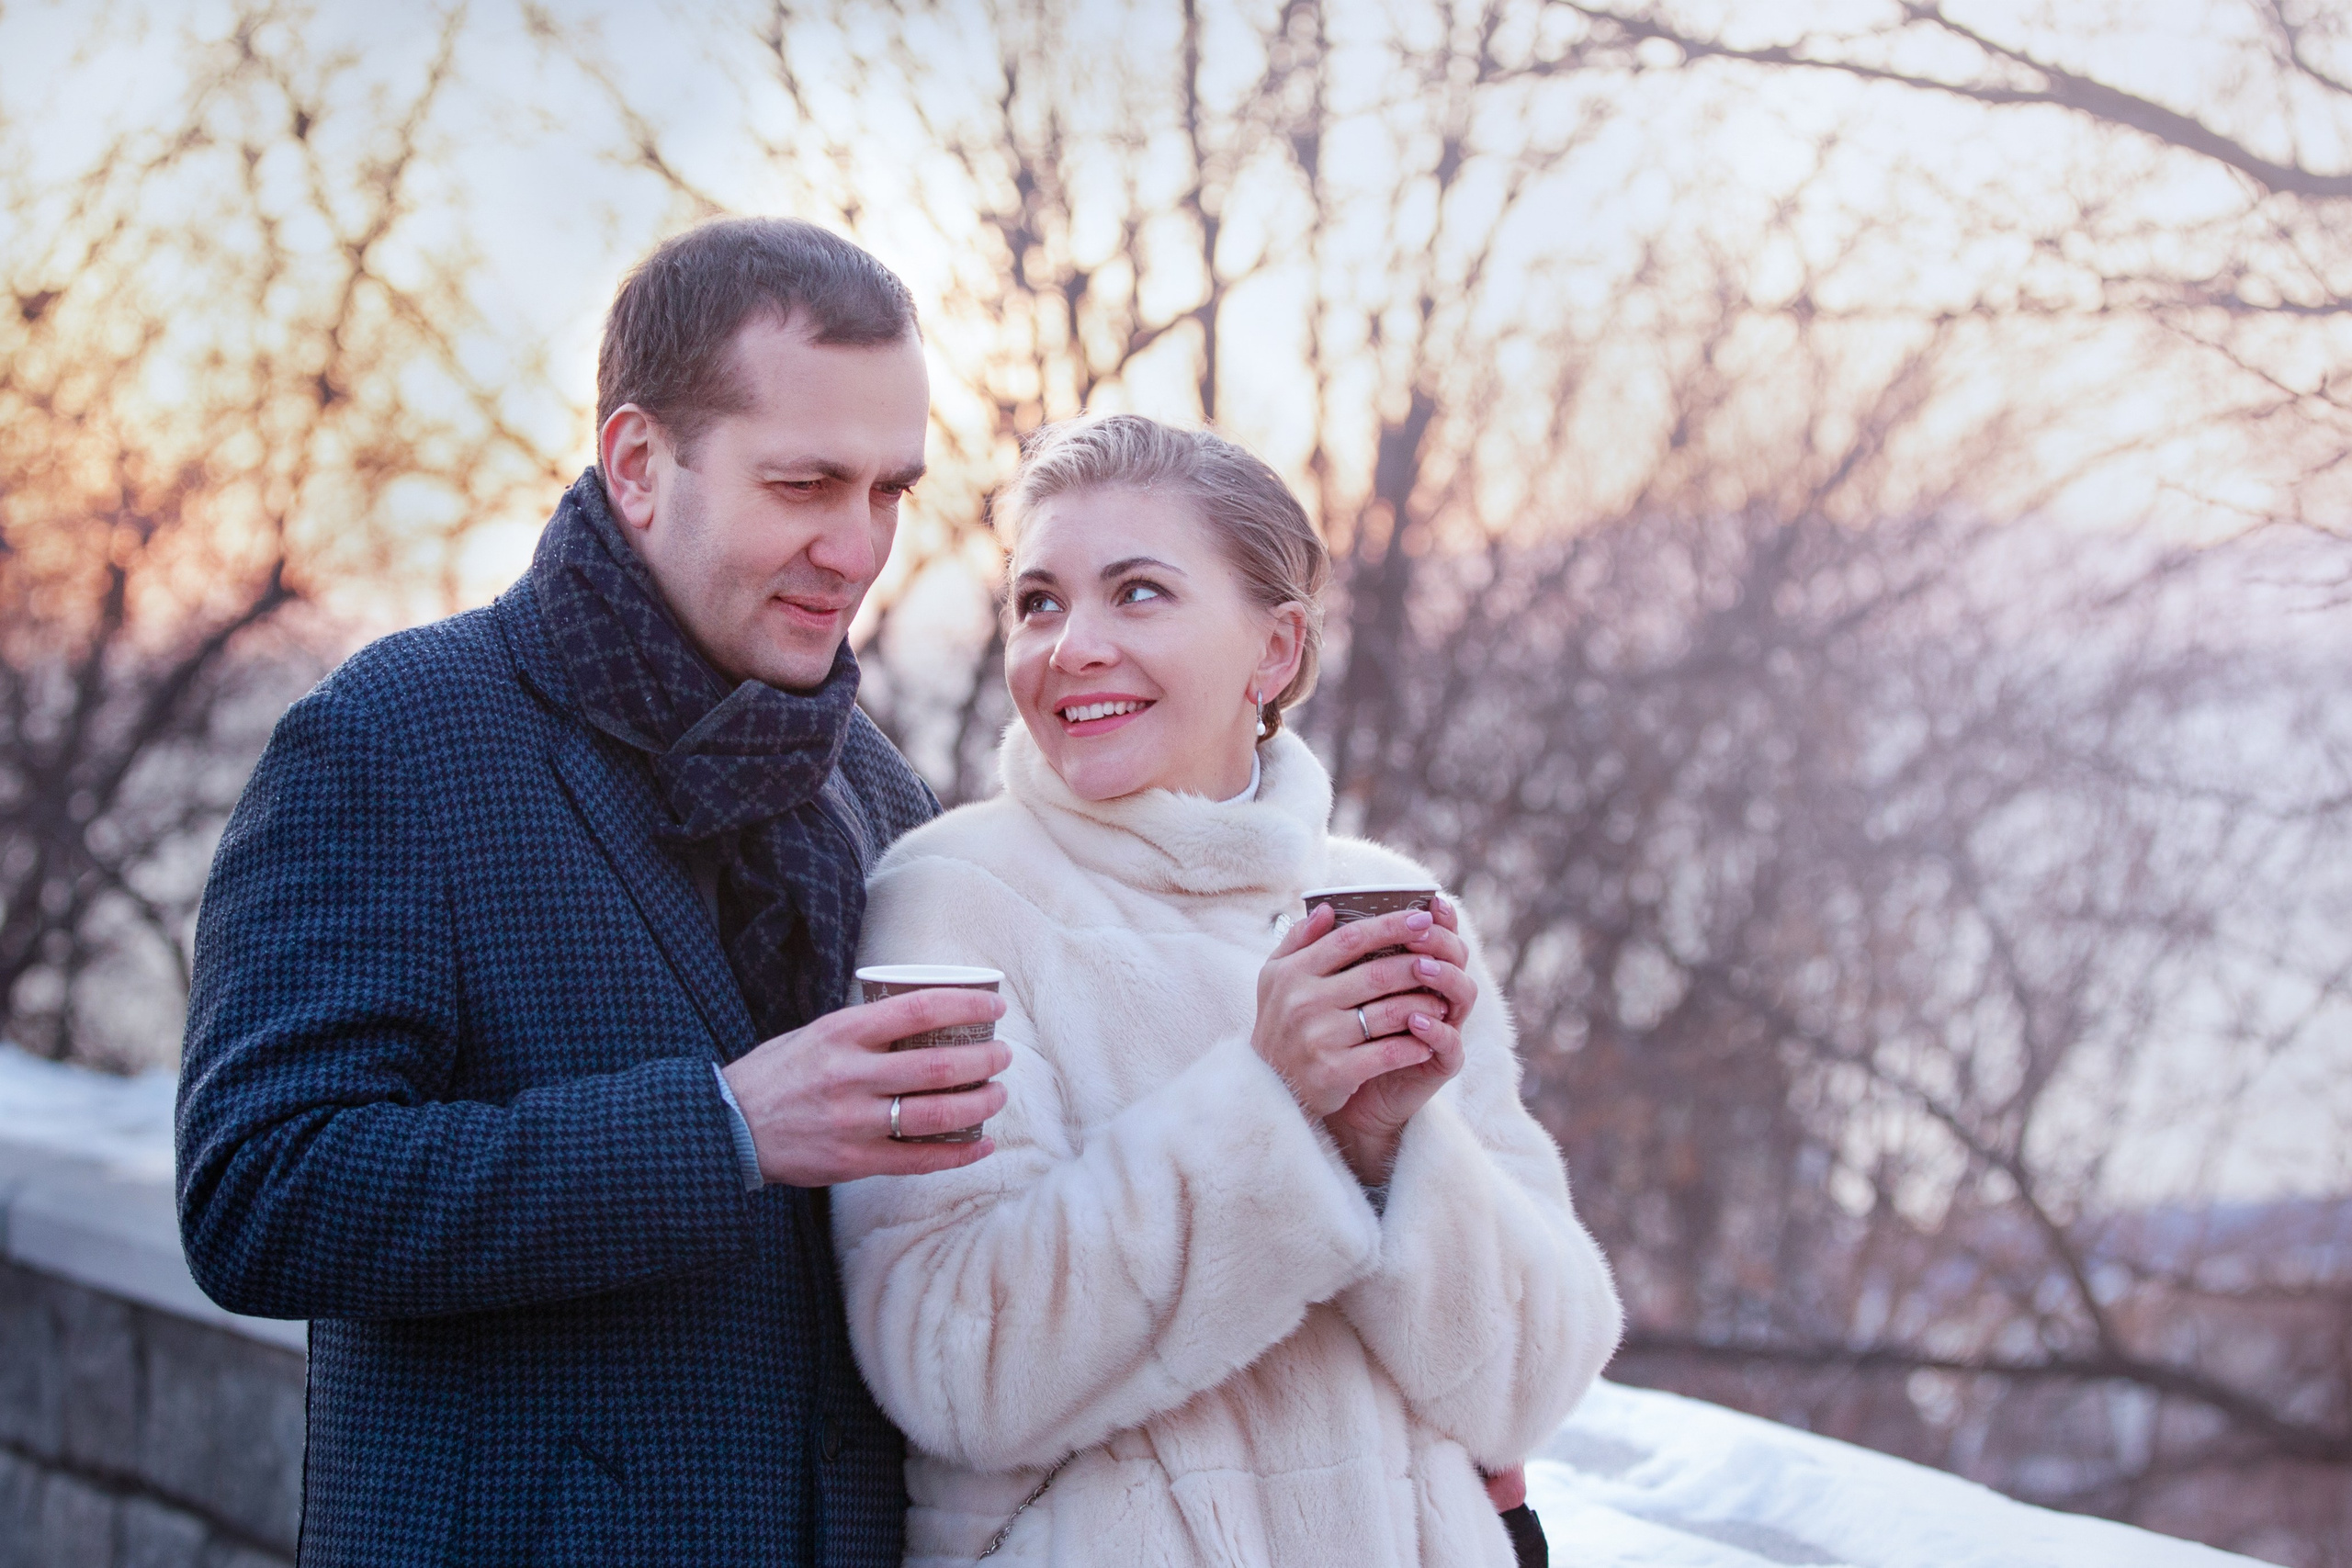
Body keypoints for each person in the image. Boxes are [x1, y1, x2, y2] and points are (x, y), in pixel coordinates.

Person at [175, 218, 1014, 1565]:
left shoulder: (875, 789)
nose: (859, 550)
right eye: (804, 485)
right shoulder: (396, 738)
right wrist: (724, 1126)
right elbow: (259, 1196)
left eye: (888, 491)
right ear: (637, 464)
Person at [834, 414, 1624, 1566]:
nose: (1071, 647)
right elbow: (954, 1367)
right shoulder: (953, 900)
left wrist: (1385, 1148)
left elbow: (1528, 1388)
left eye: (1138, 593)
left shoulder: (1386, 906)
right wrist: (1270, 1107)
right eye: (1039, 602)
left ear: (1275, 651)